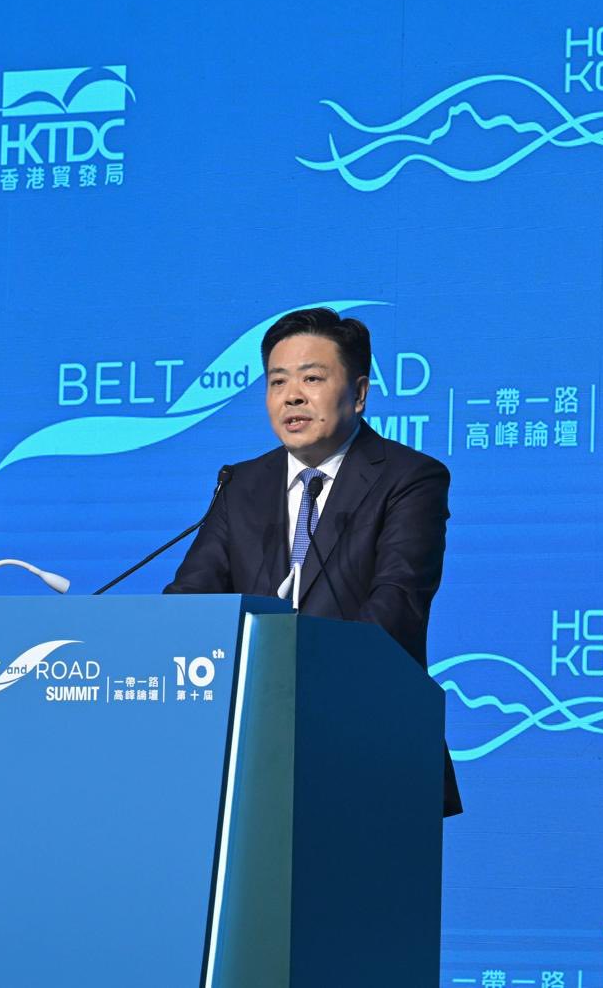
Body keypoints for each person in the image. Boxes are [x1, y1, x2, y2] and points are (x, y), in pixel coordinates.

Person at [165, 307, 462, 816]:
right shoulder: (241, 484)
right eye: (277, 381)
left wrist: (286, 677)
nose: (292, 396)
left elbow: (396, 610)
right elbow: (190, 604)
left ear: (359, 393)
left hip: (369, 746)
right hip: (246, 755)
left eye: (312, 378)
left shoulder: (410, 479)